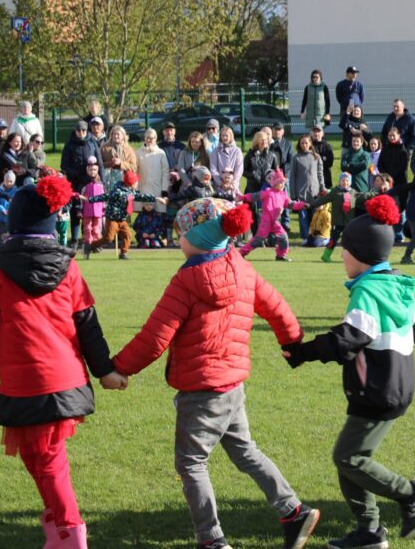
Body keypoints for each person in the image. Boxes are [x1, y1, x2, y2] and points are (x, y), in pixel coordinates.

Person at [110, 198, 319, 549]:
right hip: (232, 384)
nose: (179, 241)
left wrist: (118, 368)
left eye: (182, 234)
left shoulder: (187, 280)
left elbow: (155, 336)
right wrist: (292, 343)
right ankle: (293, 511)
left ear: (199, 238)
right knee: (245, 451)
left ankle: (211, 539)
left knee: (192, 462)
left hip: (201, 388)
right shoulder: (241, 267)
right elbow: (277, 307)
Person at [282, 195, 415, 549]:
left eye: (345, 250)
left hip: (376, 389)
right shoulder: (397, 286)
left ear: (360, 254)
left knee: (348, 457)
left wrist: (302, 352)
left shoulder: (368, 292)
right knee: (352, 458)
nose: (341, 255)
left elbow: (350, 338)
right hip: (395, 386)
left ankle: (410, 494)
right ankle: (369, 532)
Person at [0, 176, 125, 549]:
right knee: (36, 454)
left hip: (28, 378)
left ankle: (71, 534)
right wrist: (102, 370)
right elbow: (89, 324)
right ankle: (58, 529)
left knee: (48, 458)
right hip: (59, 375)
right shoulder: (67, 268)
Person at [87, 171, 166, 260]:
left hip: (122, 219)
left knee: (127, 235)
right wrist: (90, 199)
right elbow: (105, 196)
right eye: (136, 182)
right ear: (131, 183)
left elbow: (142, 196)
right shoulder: (117, 192)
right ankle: (90, 247)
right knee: (108, 238)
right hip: (112, 219)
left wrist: (157, 198)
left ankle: (123, 253)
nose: (137, 183)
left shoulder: (131, 191)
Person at [239, 169, 304, 261]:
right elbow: (254, 196)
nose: (282, 185)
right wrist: (242, 197)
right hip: (265, 221)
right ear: (274, 183)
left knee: (284, 237)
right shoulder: (267, 192)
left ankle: (280, 255)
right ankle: (241, 253)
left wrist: (302, 205)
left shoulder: (283, 195)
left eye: (283, 183)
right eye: (280, 183)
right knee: (258, 240)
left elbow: (290, 204)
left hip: (275, 222)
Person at [290, 135, 324, 242]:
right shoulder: (296, 158)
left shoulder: (316, 157)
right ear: (299, 145)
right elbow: (292, 177)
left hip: (315, 192)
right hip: (301, 193)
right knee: (303, 217)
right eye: (302, 143)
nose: (304, 145)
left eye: (306, 143)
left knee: (315, 216)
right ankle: (304, 238)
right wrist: (293, 194)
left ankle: (315, 237)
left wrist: (322, 189)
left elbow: (320, 174)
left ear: (310, 143)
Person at [136, 128, 169, 215]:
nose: (150, 140)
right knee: (143, 216)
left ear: (156, 139)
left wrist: (164, 189)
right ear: (144, 138)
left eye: (152, 138)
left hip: (157, 189)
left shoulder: (161, 153)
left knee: (158, 216)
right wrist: (136, 188)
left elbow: (165, 172)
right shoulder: (138, 153)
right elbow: (135, 171)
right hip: (143, 188)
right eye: (148, 138)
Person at [79, 158, 105, 256]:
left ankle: (96, 243)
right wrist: (79, 209)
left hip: (98, 211)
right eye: (90, 170)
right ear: (87, 170)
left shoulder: (100, 184)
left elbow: (103, 197)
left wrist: (104, 208)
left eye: (94, 170)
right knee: (87, 228)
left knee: (96, 228)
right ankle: (87, 243)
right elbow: (81, 197)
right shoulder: (85, 184)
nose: (92, 172)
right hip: (87, 210)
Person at [209, 125, 243, 193]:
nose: (224, 137)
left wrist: (233, 184)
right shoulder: (215, 151)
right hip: (219, 187)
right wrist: (221, 183)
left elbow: (239, 169)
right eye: (223, 135)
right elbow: (213, 169)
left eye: (226, 135)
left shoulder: (237, 151)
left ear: (231, 136)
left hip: (233, 187)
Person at [336, 66, 365, 134]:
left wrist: (357, 105)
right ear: (347, 74)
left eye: (355, 73)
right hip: (345, 110)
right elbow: (339, 97)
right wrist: (345, 104)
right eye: (352, 73)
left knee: (359, 126)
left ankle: (360, 142)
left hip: (357, 110)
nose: (354, 74)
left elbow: (362, 97)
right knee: (346, 127)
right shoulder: (340, 84)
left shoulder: (359, 85)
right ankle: (346, 143)